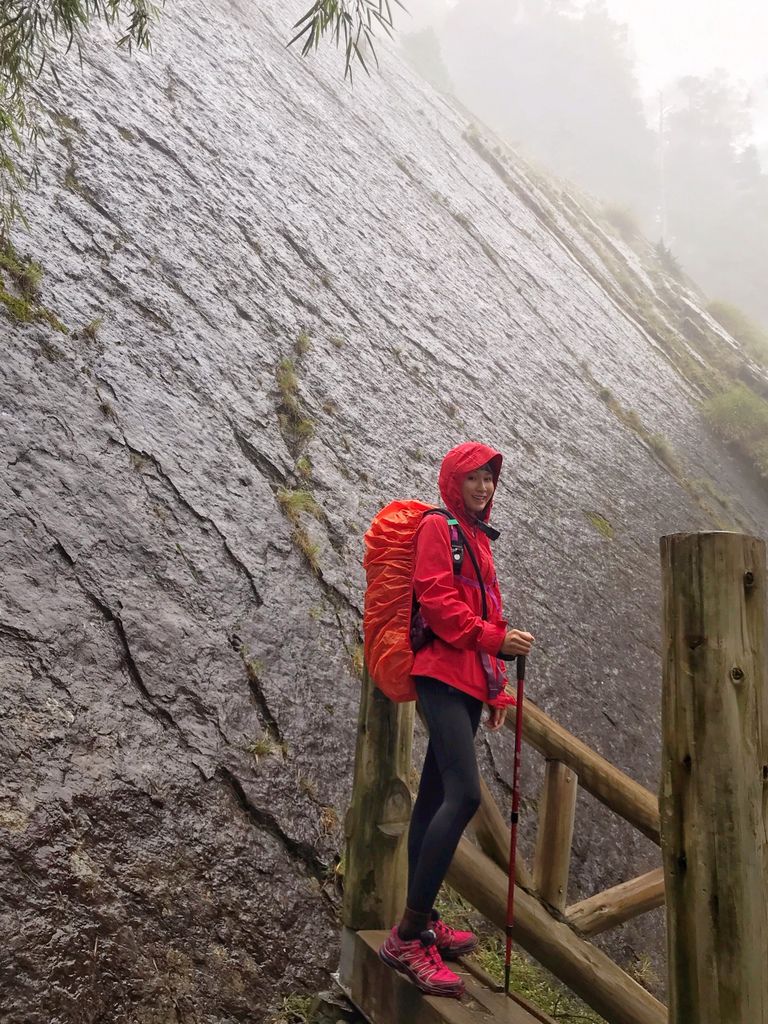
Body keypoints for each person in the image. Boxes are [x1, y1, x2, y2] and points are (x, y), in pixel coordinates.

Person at [378, 441, 534, 998]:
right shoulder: (436, 529)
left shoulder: (478, 541)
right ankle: (407, 936)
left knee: (433, 800)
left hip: (467, 682)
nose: (484, 487)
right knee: (464, 796)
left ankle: (423, 917)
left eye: (490, 478)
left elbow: (484, 612)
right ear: (453, 480)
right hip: (441, 676)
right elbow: (441, 606)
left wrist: (497, 690)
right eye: (473, 477)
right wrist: (496, 639)